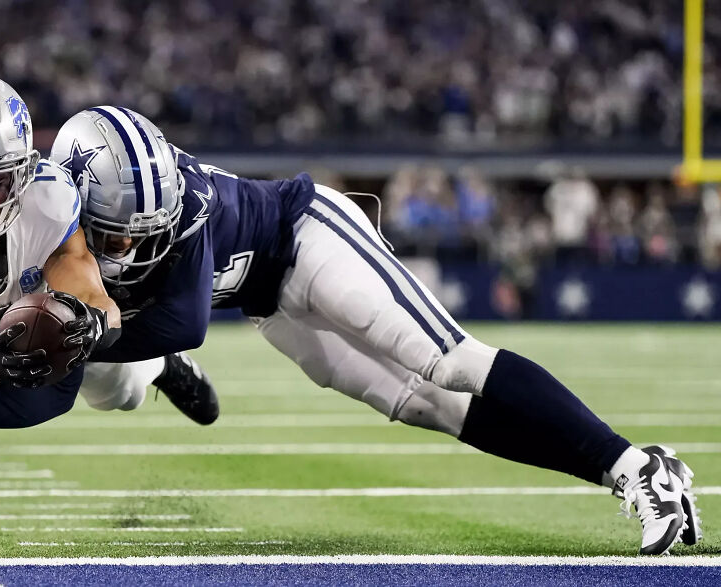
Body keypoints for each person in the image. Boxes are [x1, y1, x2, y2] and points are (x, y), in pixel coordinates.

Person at [49, 106, 701, 555]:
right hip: (270, 304)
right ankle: (622, 471)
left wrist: (59, 341)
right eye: (115, 233)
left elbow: (184, 321)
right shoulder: (59, 221)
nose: (131, 244)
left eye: (139, 230)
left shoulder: (180, 197)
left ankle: (637, 466)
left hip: (307, 238)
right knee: (431, 405)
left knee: (448, 360)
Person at [0, 73, 216, 431]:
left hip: (42, 328)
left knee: (115, 390)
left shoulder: (49, 201)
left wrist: (92, 323)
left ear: (24, 174)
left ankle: (159, 365)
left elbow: (90, 293)